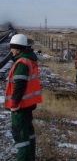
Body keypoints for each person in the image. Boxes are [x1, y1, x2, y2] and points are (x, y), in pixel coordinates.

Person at [4, 33, 42, 161]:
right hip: (28, 104)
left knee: (20, 136)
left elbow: (19, 85)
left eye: (12, 48)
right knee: (28, 133)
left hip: (20, 106)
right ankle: (30, 157)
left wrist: (14, 103)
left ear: (17, 48)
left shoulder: (21, 63)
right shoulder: (29, 60)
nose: (11, 51)